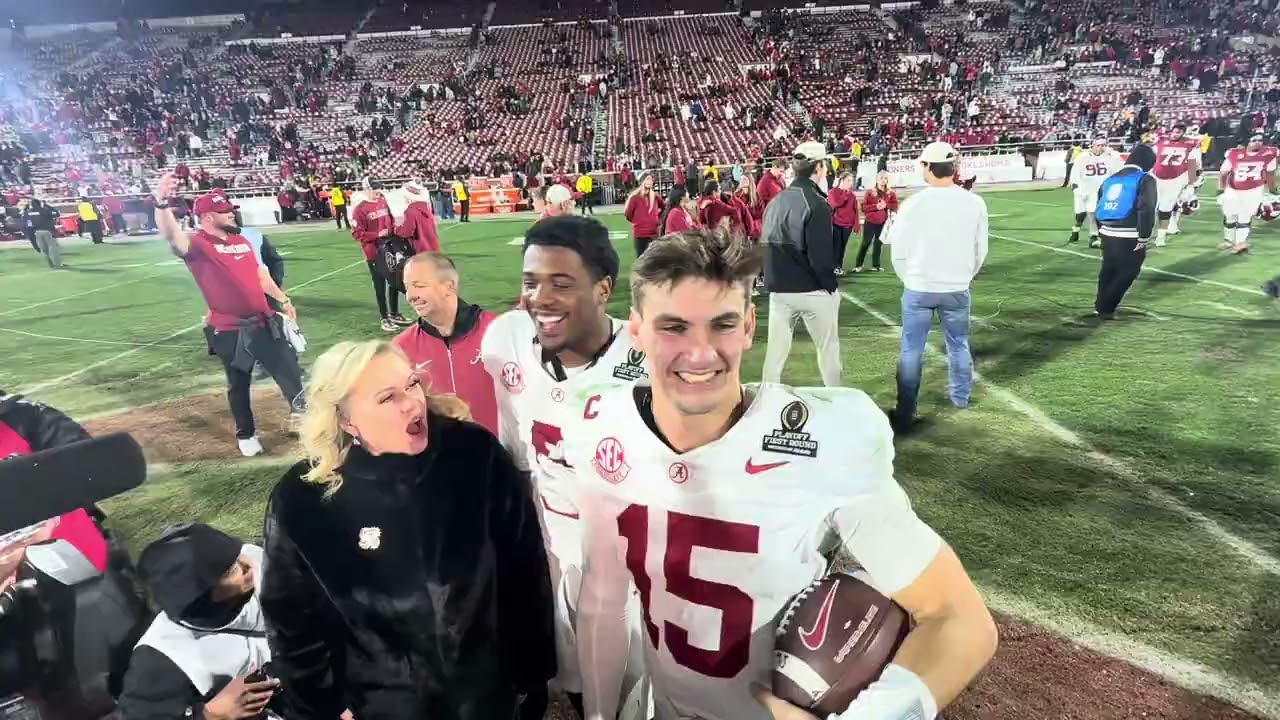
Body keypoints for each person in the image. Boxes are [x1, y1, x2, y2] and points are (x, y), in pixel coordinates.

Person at [570, 229, 998, 720]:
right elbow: (603, 597)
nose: (701, 352)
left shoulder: (824, 439)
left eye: (723, 325)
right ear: (636, 330)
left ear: (750, 326)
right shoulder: (601, 424)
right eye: (674, 327)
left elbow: (957, 618)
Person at [260, 340, 557, 720]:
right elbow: (291, 621)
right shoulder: (302, 500)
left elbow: (523, 567)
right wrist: (324, 707)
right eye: (387, 398)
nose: (412, 403)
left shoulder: (474, 454)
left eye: (413, 384)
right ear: (345, 420)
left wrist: (531, 674)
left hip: (487, 692)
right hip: (383, 705)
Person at [480, 215, 649, 719]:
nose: (540, 298)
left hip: (629, 554)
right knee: (574, 670)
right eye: (531, 282)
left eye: (561, 283)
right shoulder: (506, 339)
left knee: (638, 681)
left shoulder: (645, 357)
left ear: (602, 289)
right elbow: (514, 445)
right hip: (553, 540)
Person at [152, 175, 305, 457]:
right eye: (225, 211)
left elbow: (260, 275)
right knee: (238, 383)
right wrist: (161, 202)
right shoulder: (197, 244)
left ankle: (305, 420)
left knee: (290, 371)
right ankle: (246, 434)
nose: (232, 213)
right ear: (208, 216)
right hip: (230, 329)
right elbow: (172, 237)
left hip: (264, 321)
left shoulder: (242, 241)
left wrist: (283, 299)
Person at [119, 524, 280, 720]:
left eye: (235, 553)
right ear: (199, 599)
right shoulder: (161, 656)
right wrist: (207, 714)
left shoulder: (260, 563)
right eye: (230, 571)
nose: (248, 565)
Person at [883, 142, 988, 434]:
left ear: (928, 167)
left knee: (911, 349)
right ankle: (960, 397)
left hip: (919, 286)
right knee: (958, 343)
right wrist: (964, 276)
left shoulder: (914, 203)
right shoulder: (974, 202)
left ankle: (906, 409)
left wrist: (910, 279)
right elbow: (981, 249)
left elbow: (898, 251)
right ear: (954, 168)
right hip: (956, 287)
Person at [760, 141, 840, 388]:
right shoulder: (816, 203)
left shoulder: (776, 201)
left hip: (778, 290)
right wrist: (831, 287)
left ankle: (766, 401)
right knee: (828, 349)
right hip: (811, 290)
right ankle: (837, 400)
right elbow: (820, 257)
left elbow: (764, 245)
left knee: (774, 356)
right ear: (819, 167)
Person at [395, 253, 499, 435]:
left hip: (503, 454)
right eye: (407, 287)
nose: (410, 296)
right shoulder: (401, 347)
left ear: (449, 286)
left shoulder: (497, 331)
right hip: (441, 458)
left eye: (419, 286)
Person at [1094, 143, 1158, 320]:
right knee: (1128, 271)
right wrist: (1144, 236)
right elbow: (1146, 209)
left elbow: (1098, 205)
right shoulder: (1145, 179)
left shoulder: (1110, 179)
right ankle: (1106, 307)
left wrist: (1101, 232)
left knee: (1108, 268)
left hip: (1107, 231)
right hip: (1129, 233)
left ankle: (1100, 304)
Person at [352, 183, 412, 332]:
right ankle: (384, 317)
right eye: (374, 188)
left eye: (378, 187)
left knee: (394, 282)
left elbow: (389, 220)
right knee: (380, 286)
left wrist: (395, 226)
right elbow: (357, 234)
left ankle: (394, 313)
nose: (377, 191)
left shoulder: (382, 201)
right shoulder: (360, 209)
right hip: (374, 252)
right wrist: (377, 235)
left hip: (389, 247)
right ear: (366, 189)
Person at [1217, 133, 1277, 254]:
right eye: (1254, 140)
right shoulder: (1234, 154)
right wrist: (1220, 191)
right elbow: (1223, 174)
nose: (1257, 142)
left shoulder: (1269, 155)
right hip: (1233, 189)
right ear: (1247, 142)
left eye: (1260, 140)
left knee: (1245, 217)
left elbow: (1270, 175)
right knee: (1229, 216)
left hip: (1254, 190)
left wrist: (1274, 192)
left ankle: (1240, 243)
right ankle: (1229, 240)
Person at [1150, 123, 1200, 246]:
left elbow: (1193, 165)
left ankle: (1161, 237)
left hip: (1174, 180)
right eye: (1174, 131)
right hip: (1156, 177)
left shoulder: (1189, 146)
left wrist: (1191, 186)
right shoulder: (1160, 143)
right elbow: (1150, 159)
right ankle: (1144, 234)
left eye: (1178, 132)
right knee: (1149, 208)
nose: (1175, 134)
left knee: (1165, 210)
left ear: (1183, 133)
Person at [1069, 136, 1124, 248]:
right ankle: (1076, 230)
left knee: (1096, 213)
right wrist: (1076, 188)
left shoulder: (1109, 157)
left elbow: (1119, 170)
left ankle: (1094, 236)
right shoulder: (1082, 157)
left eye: (1103, 145)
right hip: (1085, 190)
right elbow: (1075, 174)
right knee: (1080, 214)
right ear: (1092, 145)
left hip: (1102, 190)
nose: (1100, 148)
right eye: (1098, 145)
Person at [855, 171, 897, 272]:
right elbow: (864, 207)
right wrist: (876, 206)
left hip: (883, 222)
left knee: (879, 243)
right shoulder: (870, 192)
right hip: (870, 221)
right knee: (866, 242)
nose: (883, 180)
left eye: (885, 178)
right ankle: (858, 265)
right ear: (877, 180)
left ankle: (876, 265)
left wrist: (886, 205)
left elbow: (895, 206)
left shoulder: (890, 193)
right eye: (881, 178)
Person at [827, 171, 860, 275]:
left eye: (852, 181)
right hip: (836, 223)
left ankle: (839, 266)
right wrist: (845, 195)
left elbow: (855, 210)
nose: (850, 183)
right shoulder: (833, 192)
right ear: (842, 180)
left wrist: (856, 225)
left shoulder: (852, 195)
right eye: (848, 180)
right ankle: (834, 266)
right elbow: (835, 204)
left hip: (848, 225)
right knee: (836, 246)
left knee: (842, 247)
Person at [395, 181, 441, 253]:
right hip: (432, 247)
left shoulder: (411, 211)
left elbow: (407, 232)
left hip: (420, 249)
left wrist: (397, 229)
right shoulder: (426, 208)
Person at [623, 172, 663, 257]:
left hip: (653, 233)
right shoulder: (635, 197)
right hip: (640, 233)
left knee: (655, 258)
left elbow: (664, 207)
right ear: (642, 181)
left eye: (651, 180)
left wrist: (657, 218)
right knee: (641, 258)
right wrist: (637, 221)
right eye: (647, 179)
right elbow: (628, 214)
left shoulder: (655, 196)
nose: (650, 181)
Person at [22, 198, 62, 268]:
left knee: (44, 250)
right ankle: (57, 264)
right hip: (48, 231)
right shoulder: (44, 211)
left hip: (37, 232)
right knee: (53, 248)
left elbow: (26, 222)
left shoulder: (29, 212)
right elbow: (57, 214)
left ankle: (50, 265)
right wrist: (47, 206)